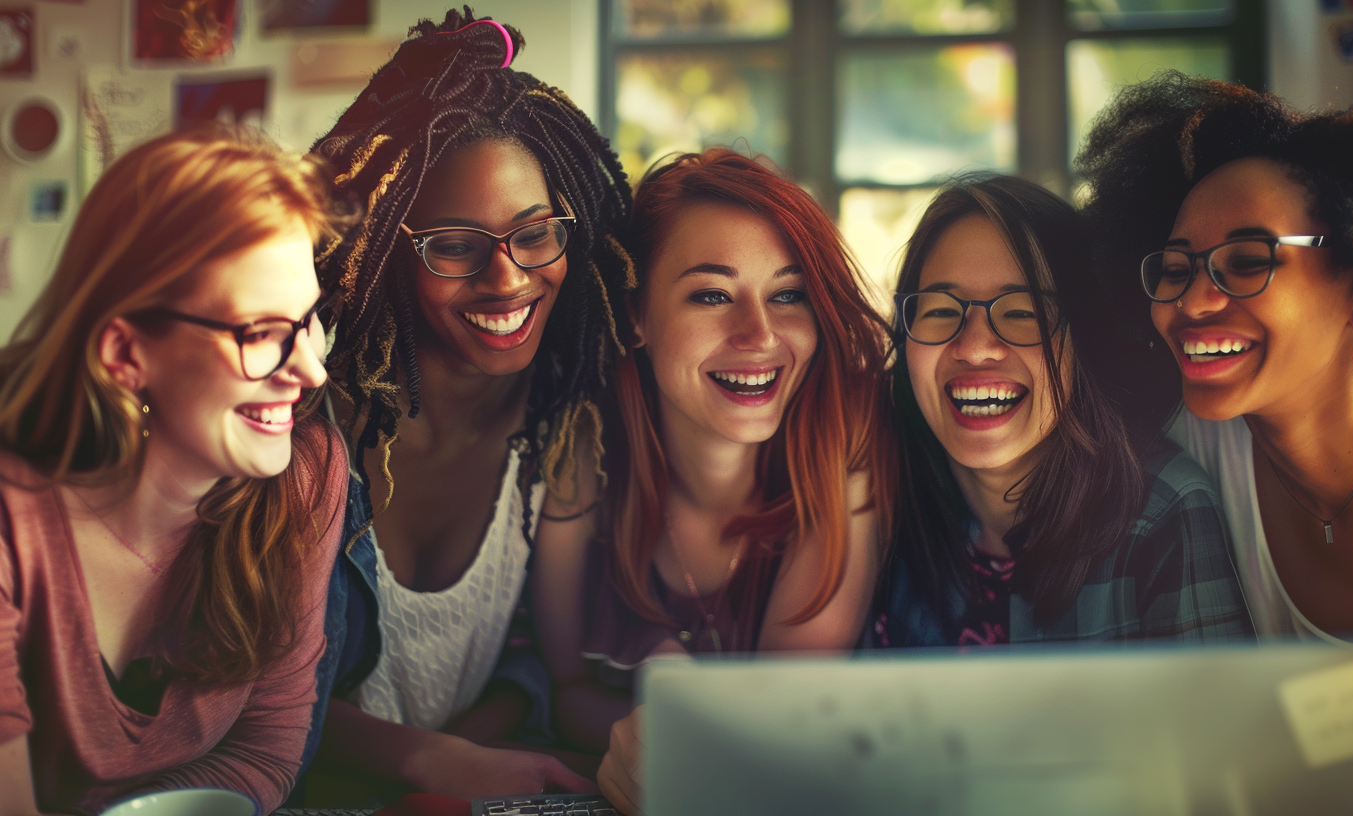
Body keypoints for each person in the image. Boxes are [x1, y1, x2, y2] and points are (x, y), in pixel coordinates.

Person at [1076, 72, 1353, 783]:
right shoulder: (1179, 475)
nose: (1193, 301)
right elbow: (1213, 735)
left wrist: (1321, 722)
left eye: (1248, 262)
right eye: (1176, 268)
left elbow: (1278, 726)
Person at [301, 9, 634, 800]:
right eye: (454, 245)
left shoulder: (567, 430)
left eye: (533, 233)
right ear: (383, 254)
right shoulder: (305, 431)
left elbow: (539, 662)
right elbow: (255, 705)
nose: (508, 278)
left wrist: (465, 758)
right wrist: (430, 761)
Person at [0, 127, 350, 816]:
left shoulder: (303, 478)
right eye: (261, 334)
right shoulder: (14, 522)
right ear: (126, 353)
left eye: (309, 321)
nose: (311, 370)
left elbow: (265, 750)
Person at [532, 148, 893, 813]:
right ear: (636, 316)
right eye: (711, 295)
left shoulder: (846, 441)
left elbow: (782, 708)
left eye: (787, 295)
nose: (759, 334)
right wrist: (642, 737)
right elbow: (567, 691)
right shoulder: (585, 452)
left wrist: (672, 718)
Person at [871, 173, 1253, 649]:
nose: (974, 348)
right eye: (942, 311)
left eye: (1022, 312)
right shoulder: (875, 504)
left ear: (1085, 339)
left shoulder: (1162, 513)